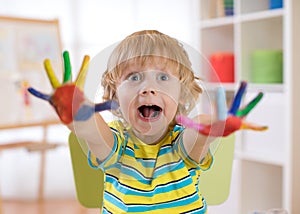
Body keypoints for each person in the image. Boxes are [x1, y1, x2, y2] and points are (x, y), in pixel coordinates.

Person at [28, 30, 266, 213]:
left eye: (163, 77)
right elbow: (91, 131)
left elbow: (198, 134)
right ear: (115, 96)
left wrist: (215, 126)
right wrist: (75, 109)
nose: (148, 88)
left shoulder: (181, 143)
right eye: (134, 77)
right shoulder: (117, 144)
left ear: (181, 93)